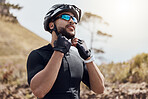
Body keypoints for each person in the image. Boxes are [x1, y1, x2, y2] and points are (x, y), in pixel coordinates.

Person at [27, 4, 105, 99]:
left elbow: (100, 89)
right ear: (51, 25)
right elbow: (39, 91)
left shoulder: (78, 57)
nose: (72, 21)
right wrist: (59, 51)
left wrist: (88, 57)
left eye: (74, 19)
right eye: (66, 17)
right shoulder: (38, 55)